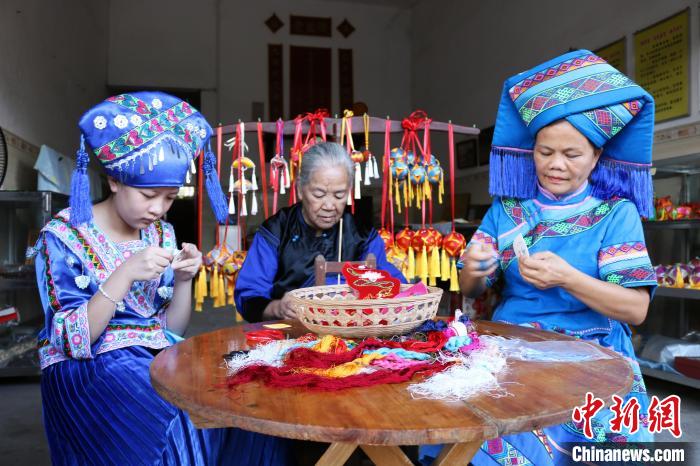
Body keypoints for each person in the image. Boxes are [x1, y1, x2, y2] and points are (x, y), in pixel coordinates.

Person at [32, 91, 294, 465]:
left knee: (246, 396)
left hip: (152, 354)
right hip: (89, 367)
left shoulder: (161, 234)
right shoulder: (62, 238)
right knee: (181, 412)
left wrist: (185, 280)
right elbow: (73, 341)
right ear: (114, 181)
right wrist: (123, 274)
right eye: (149, 194)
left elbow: (170, 327)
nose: (158, 209)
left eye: (170, 198)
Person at [424, 50, 658, 465]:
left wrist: (569, 278)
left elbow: (636, 309)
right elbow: (471, 289)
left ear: (597, 156)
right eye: (545, 151)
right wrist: (475, 270)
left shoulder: (615, 213)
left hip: (593, 352)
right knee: (454, 415)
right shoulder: (508, 209)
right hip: (512, 348)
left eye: (572, 155)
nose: (555, 165)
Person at [235, 142, 405, 322]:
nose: (329, 206)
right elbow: (248, 296)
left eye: (339, 195)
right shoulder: (277, 231)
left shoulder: (362, 235)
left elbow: (399, 288)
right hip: (290, 338)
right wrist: (277, 308)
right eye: (319, 194)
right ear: (300, 188)